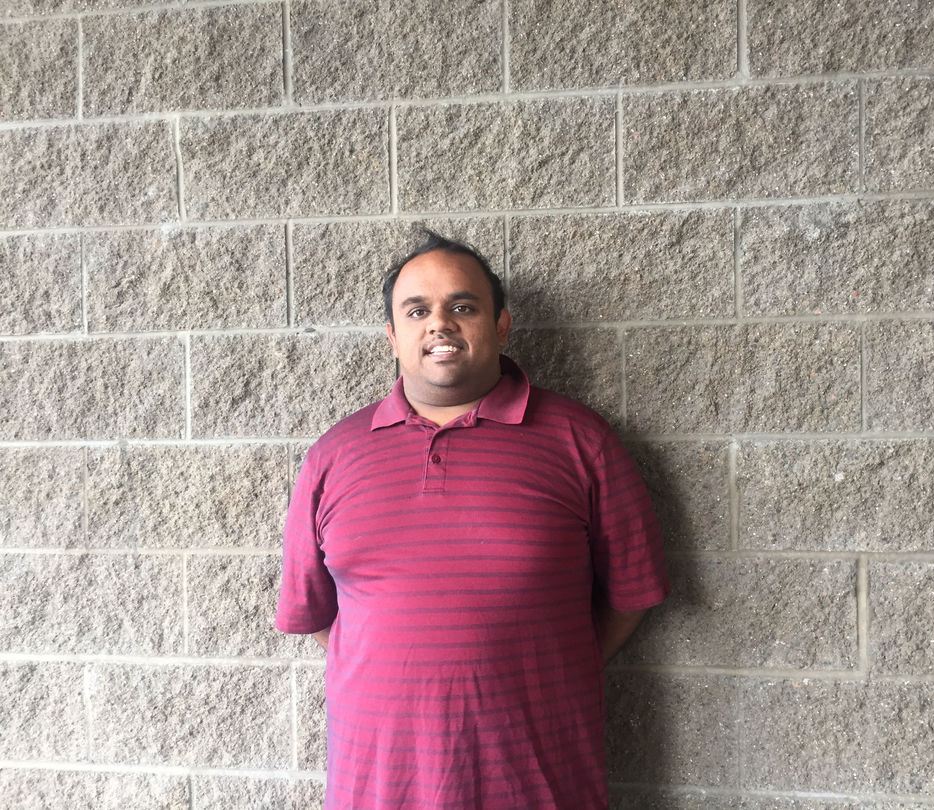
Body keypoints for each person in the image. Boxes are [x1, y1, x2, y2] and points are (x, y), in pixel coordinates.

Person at [275, 230, 669, 809]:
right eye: (417, 311)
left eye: (463, 307)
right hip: (378, 790)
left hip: (537, 788)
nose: (439, 323)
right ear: (392, 336)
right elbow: (314, 616)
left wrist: (541, 671)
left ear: (501, 325)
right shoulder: (333, 456)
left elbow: (632, 596)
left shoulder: (581, 441)